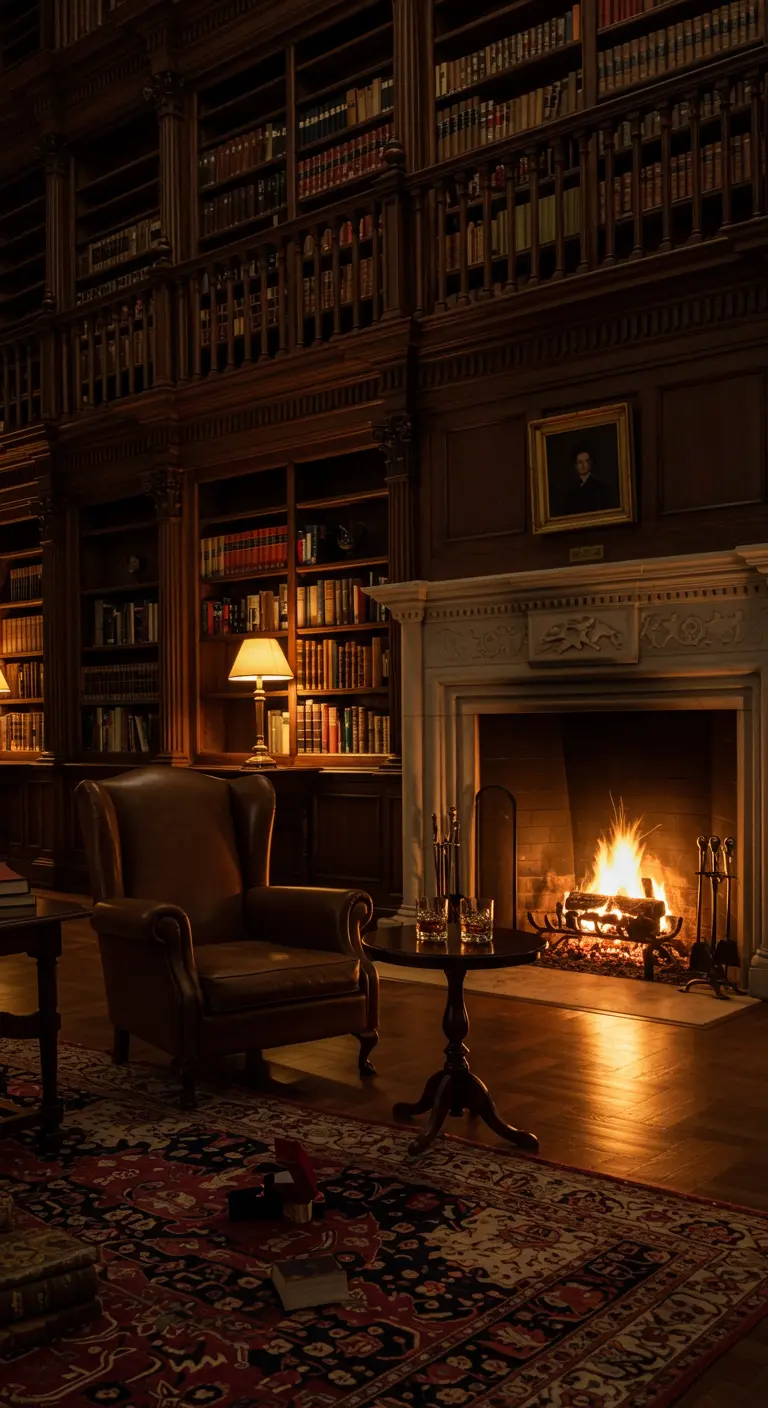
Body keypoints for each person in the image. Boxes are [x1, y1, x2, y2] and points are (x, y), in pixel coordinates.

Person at [562, 444, 612, 515]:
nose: (583, 465)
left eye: (586, 461)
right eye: (580, 462)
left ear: (590, 463)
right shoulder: (571, 491)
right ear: (575, 465)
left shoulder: (600, 488)